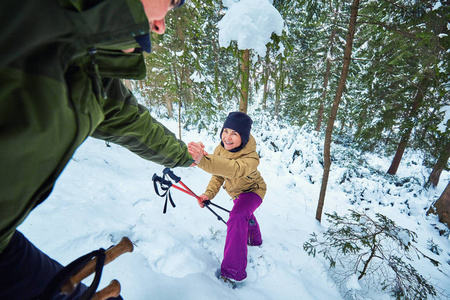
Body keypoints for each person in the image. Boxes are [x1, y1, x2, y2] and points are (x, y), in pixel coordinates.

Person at [0, 0, 194, 299]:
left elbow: (131, 121)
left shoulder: (81, 66)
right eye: (170, 3)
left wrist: (184, 156)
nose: (161, 25)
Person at [188, 112, 267, 284]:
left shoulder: (251, 158)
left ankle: (233, 271)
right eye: (226, 131)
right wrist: (208, 194)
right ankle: (255, 239)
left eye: (235, 133)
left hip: (253, 191)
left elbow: (233, 169)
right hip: (236, 193)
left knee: (238, 216)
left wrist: (204, 160)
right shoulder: (220, 150)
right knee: (245, 214)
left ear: (243, 138)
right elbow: (218, 175)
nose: (227, 137)